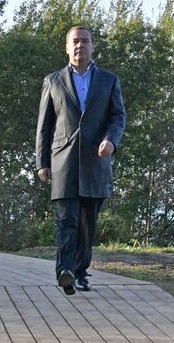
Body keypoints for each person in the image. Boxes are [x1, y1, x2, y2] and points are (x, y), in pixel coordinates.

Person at [35, 25, 126, 295]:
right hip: (63, 162)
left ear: (92, 46)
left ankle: (80, 271)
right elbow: (44, 125)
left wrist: (111, 140)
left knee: (87, 223)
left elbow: (118, 117)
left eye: (84, 41)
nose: (79, 46)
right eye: (74, 41)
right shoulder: (53, 81)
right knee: (66, 220)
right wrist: (42, 162)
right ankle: (64, 271)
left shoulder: (109, 81)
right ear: (66, 47)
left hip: (96, 162)